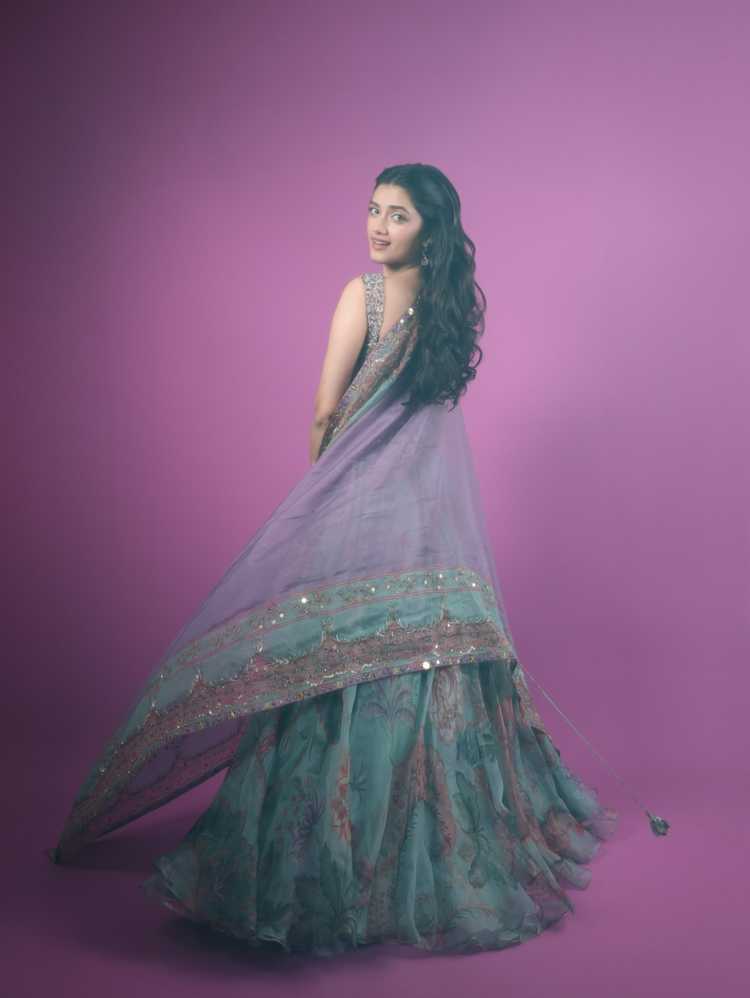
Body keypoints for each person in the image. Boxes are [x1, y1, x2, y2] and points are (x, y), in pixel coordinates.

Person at [47, 163, 619, 957]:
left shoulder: (366, 295)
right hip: (424, 524)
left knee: (332, 659)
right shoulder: (453, 307)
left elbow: (326, 412)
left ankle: (334, 851)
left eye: (399, 215)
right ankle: (421, 847)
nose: (379, 227)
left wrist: (320, 495)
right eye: (374, 210)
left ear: (432, 228)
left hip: (358, 513)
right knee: (414, 666)